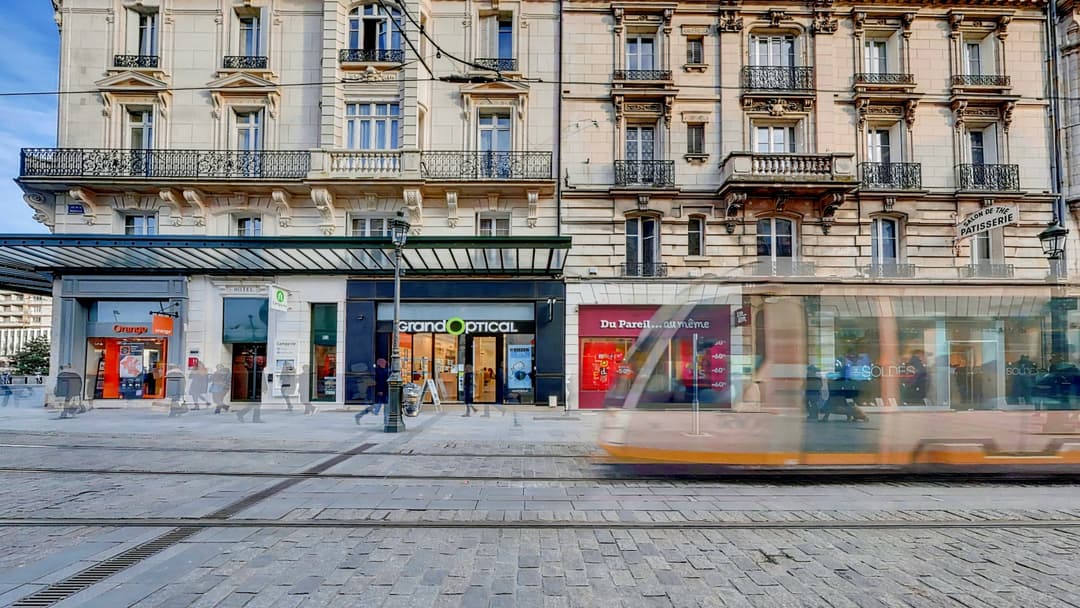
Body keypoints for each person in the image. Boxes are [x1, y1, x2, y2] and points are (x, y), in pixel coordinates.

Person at [355, 358, 389, 423]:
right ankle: (385, 420)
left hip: (384, 391)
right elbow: (380, 381)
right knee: (383, 405)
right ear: (380, 363)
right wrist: (380, 390)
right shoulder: (380, 371)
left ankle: (362, 414)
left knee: (382, 405)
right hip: (383, 391)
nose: (385, 363)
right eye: (384, 362)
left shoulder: (383, 370)